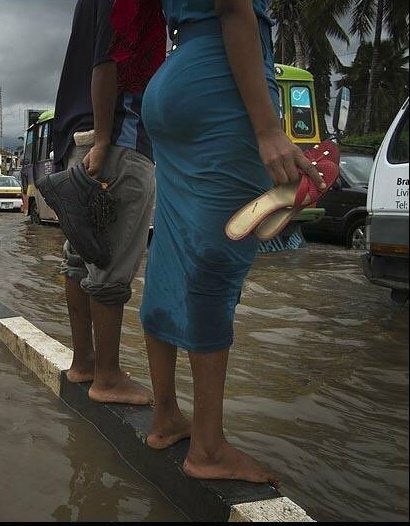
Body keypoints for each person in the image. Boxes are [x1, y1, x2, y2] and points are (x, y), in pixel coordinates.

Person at [138, 0, 325, 486]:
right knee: (215, 265)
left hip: (175, 77)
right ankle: (208, 447)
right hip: (220, 82)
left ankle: (165, 419)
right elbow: (234, 8)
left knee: (170, 252)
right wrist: (268, 130)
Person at [52, 0, 164, 405]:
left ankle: (84, 363)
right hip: (117, 138)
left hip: (78, 138)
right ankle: (109, 377)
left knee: (79, 256)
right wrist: (104, 139)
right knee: (111, 264)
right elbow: (109, 59)